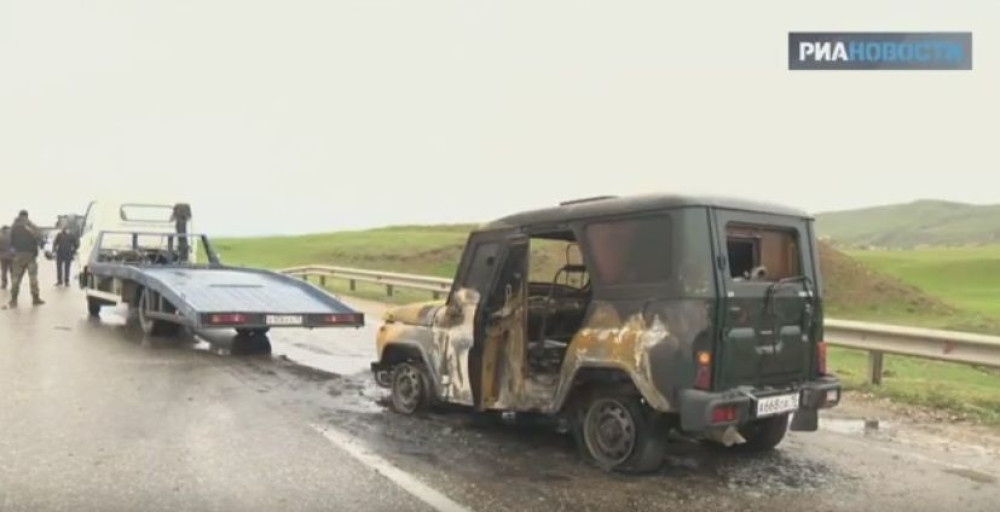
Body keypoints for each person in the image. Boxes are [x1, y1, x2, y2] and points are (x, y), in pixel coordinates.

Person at [7, 210, 44, 307]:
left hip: (18, 255)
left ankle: (13, 300)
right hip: (30, 255)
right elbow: (39, 236)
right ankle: (35, 298)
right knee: (33, 277)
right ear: (27, 216)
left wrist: (12, 252)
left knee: (16, 278)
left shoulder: (14, 226)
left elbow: (9, 240)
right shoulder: (30, 225)